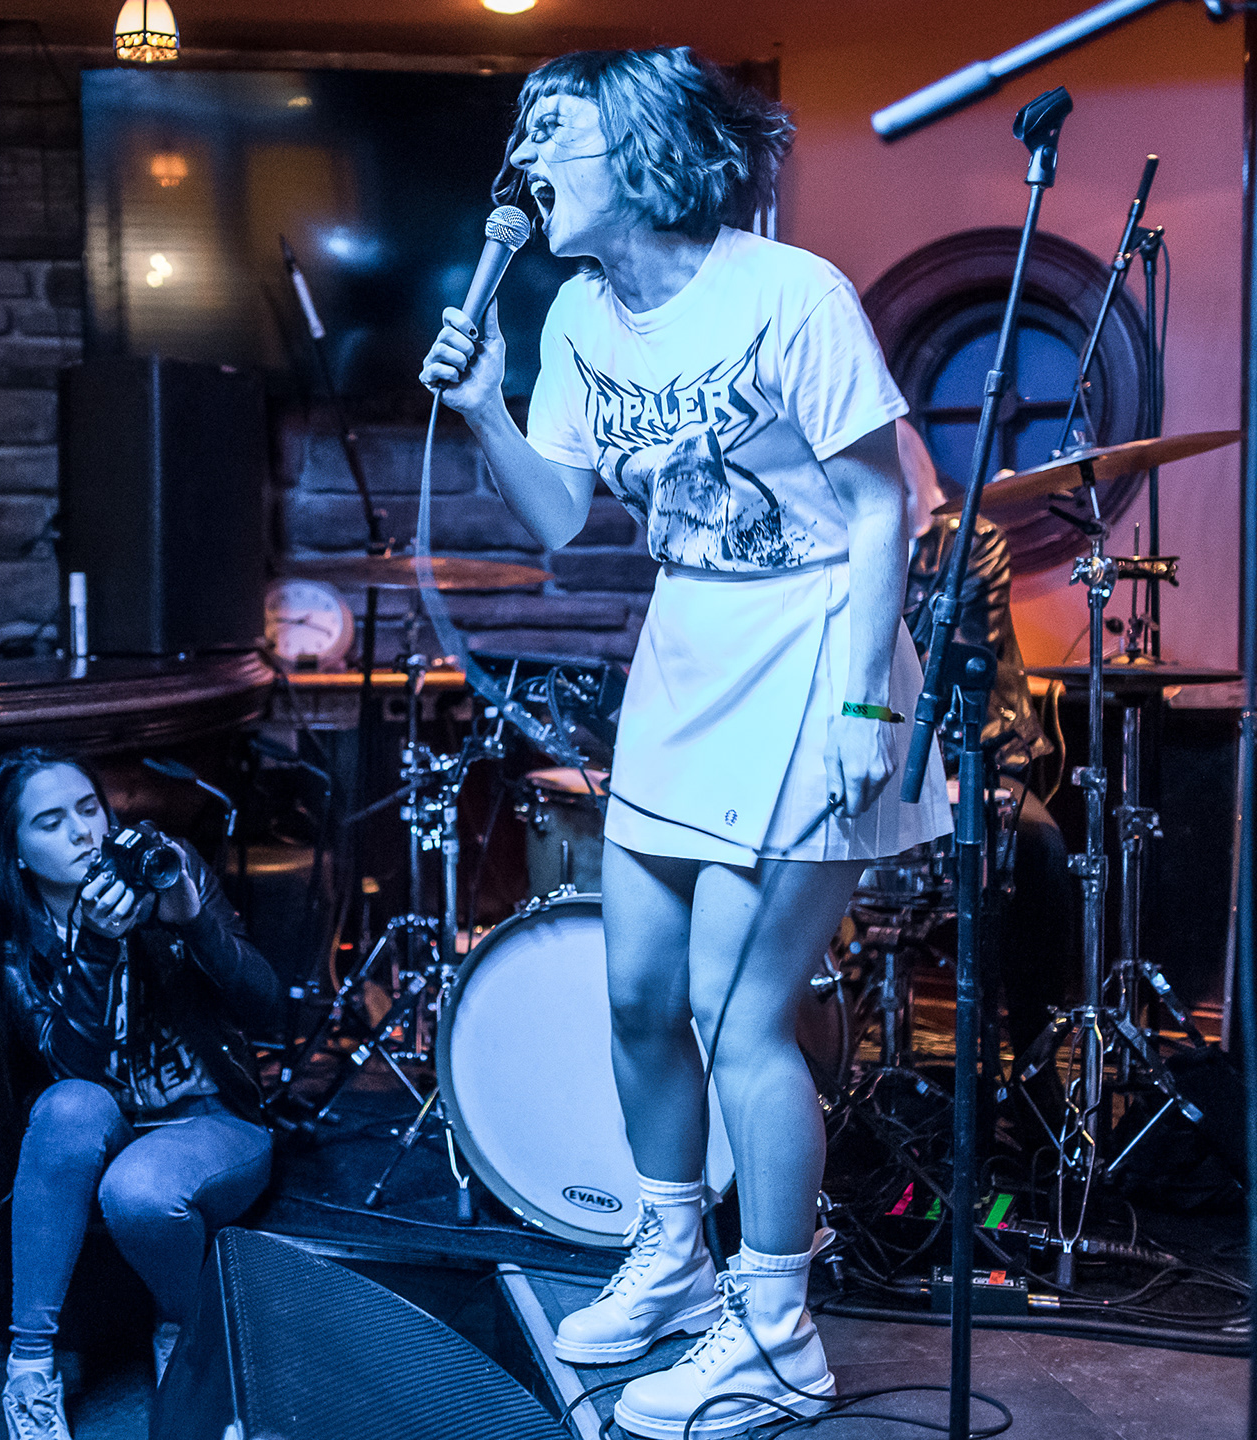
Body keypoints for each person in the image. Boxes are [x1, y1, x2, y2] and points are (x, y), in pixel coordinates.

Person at [420, 48, 950, 1437]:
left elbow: (883, 509)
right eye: (524, 139)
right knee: (639, 992)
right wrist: (484, 410)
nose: (526, 166)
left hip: (814, 646)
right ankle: (672, 1260)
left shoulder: (788, 294)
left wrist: (867, 709)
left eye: (555, 137)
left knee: (736, 1009)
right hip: (687, 644)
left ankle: (777, 1335)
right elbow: (556, 517)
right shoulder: (577, 315)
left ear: (646, 152)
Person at [0, 748, 277, 1440]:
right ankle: (29, 1369)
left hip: (211, 1120)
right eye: (50, 823)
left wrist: (192, 919)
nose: (81, 832)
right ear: (15, 853)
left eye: (88, 808)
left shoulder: (165, 867)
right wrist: (98, 945)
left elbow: (269, 1007)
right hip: (104, 1128)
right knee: (68, 1106)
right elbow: (69, 1067)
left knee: (138, 1190)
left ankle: (184, 1332)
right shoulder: (15, 939)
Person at [896, 420, 1076, 1107]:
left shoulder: (968, 544)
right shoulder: (832, 552)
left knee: (1036, 847)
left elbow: (958, 668)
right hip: (881, 758)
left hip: (974, 753)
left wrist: (939, 779)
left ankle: (1033, 1074)